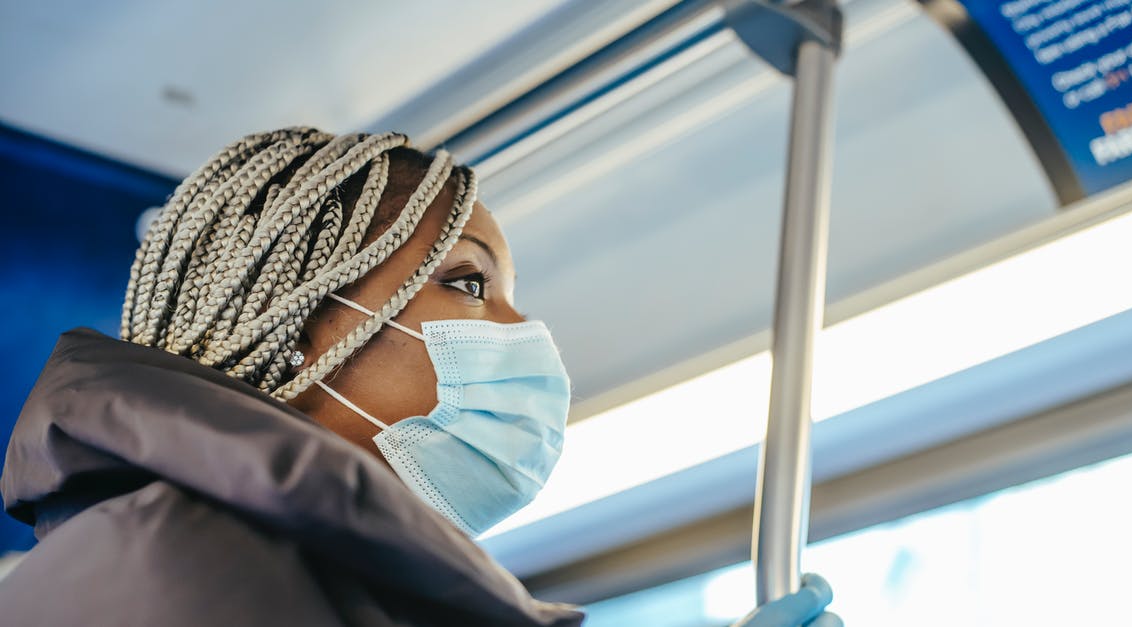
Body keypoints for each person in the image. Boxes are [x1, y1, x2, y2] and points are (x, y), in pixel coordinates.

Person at [0, 128, 840, 626]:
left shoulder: (282, 567)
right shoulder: (179, 558)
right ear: (296, 325)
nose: (521, 330)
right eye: (470, 284)